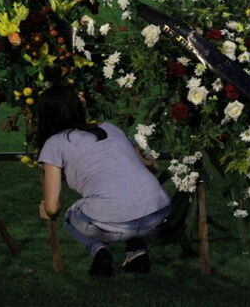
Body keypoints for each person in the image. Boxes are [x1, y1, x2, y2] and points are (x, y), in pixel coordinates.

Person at [37, 88, 170, 277]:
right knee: (132, 199)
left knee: (71, 216)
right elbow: (149, 166)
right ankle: (137, 253)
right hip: (158, 212)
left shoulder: (54, 144)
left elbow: (52, 208)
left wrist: (46, 210)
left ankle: (100, 251)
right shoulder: (110, 128)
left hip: (119, 221)